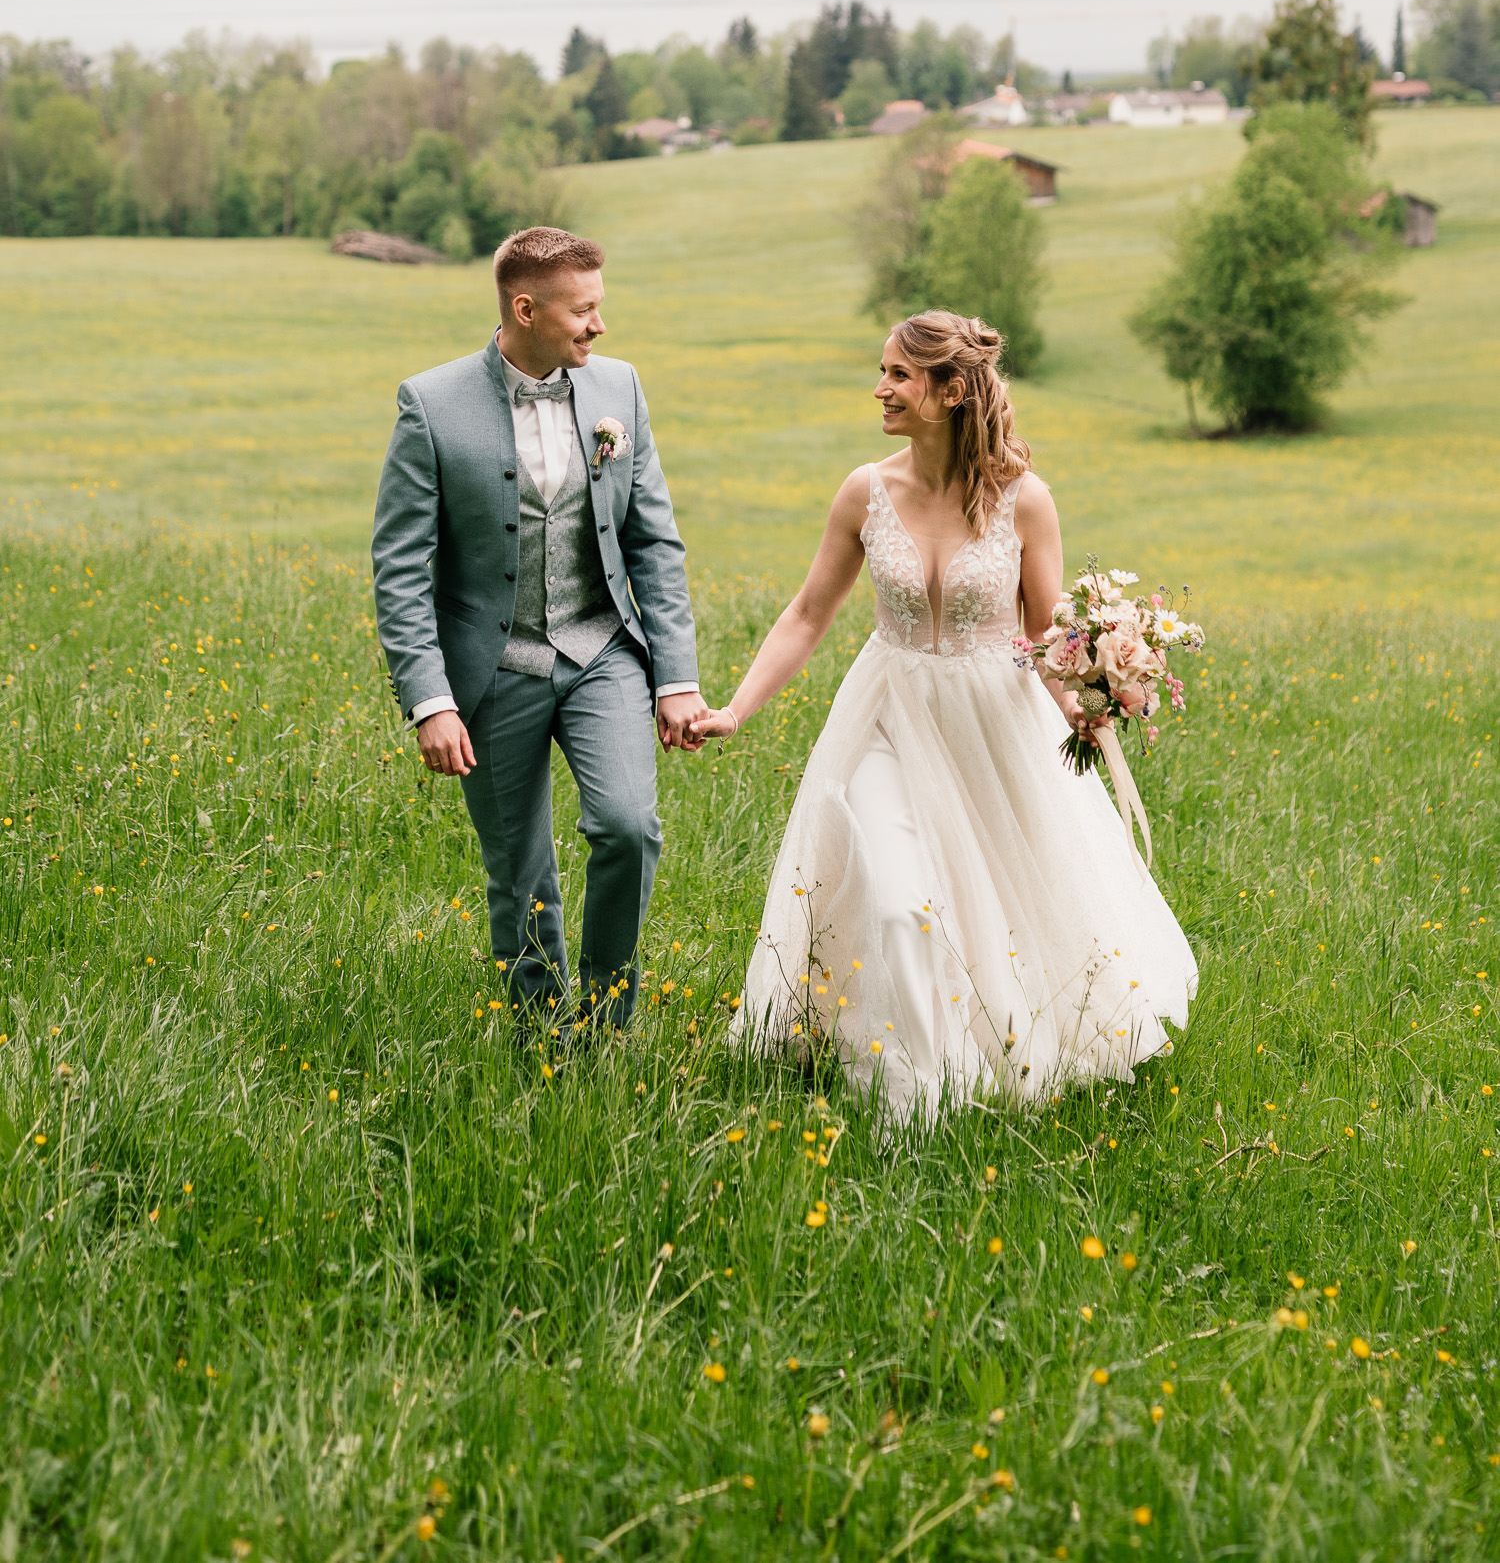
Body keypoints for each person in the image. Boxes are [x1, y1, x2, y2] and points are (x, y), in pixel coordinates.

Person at [689, 311, 1197, 1123]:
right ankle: (912, 1102)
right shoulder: (866, 489)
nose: (881, 388)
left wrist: (1092, 703)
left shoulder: (1026, 502)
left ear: (951, 390)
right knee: (897, 903)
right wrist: (736, 710)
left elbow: (1042, 632)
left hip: (994, 726)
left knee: (995, 906)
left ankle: (989, 1055)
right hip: (887, 713)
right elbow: (809, 613)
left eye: (898, 375)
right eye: (883, 371)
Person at [371, 226, 707, 1043]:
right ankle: (534, 1028)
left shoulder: (619, 391)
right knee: (519, 874)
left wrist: (677, 677)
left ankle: (607, 1014)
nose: (600, 326)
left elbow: (653, 542)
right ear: (525, 309)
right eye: (583, 310)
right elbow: (401, 569)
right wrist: (430, 702)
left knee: (628, 825)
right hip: (493, 670)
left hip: (602, 653)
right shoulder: (431, 405)